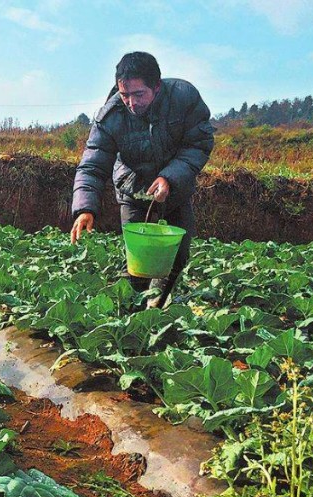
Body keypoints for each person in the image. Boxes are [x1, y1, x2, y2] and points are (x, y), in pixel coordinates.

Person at [70, 52, 214, 308]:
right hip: (133, 189)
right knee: (139, 262)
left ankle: (158, 311)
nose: (131, 103)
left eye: (139, 94)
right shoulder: (111, 115)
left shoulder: (183, 98)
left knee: (177, 258)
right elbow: (92, 164)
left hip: (175, 190)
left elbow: (198, 144)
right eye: (125, 95)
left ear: (156, 86)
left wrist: (169, 177)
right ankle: (132, 320)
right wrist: (85, 209)